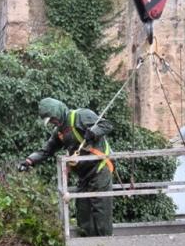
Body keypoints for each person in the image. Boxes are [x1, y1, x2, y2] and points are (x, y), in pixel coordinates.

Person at [19, 97, 114, 237]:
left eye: (53, 119)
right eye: (50, 121)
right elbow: (47, 150)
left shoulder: (81, 115)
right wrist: (29, 161)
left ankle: (106, 243)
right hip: (84, 174)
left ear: (58, 111)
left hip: (100, 168)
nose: (53, 122)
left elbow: (107, 124)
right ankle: (89, 244)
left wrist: (93, 132)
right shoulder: (60, 132)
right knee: (83, 210)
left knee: (101, 210)